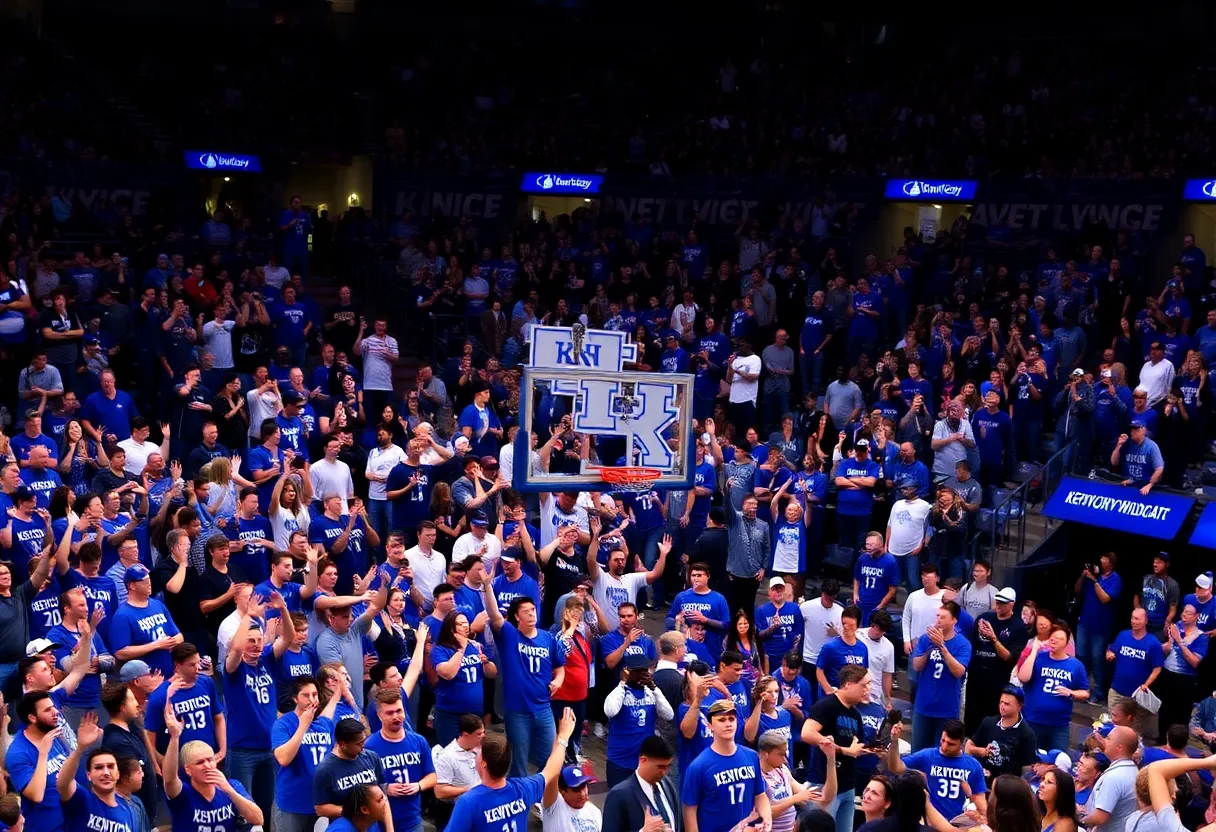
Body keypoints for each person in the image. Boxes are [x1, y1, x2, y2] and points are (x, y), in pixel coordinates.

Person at [475, 561, 567, 778]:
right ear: (517, 617)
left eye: (533, 610)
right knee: (519, 762)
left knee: (550, 758)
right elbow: (494, 615)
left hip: (543, 708)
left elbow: (560, 668)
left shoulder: (548, 638)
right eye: (526, 611)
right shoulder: (509, 635)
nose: (531, 614)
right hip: (517, 711)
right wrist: (488, 586)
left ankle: (548, 801)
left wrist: (558, 681)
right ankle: (522, 803)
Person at [446, 707, 577, 832]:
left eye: (478, 753)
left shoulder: (469, 802)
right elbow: (552, 770)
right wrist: (564, 737)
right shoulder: (523, 789)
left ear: (484, 764)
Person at [162, 697, 264, 832]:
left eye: (210, 760)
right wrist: (175, 737)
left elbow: (258, 820)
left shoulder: (232, 786)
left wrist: (229, 791)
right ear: (188, 770)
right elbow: (169, 779)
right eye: (200, 762)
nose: (207, 765)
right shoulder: (183, 794)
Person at [682, 698, 773, 832]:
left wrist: (767, 819)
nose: (728, 724)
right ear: (710, 725)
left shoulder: (751, 756)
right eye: (721, 720)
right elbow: (689, 811)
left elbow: (759, 794)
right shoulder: (698, 766)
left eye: (731, 719)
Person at [802, 664, 869, 832]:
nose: (867, 689)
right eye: (864, 685)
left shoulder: (855, 714)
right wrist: (844, 750)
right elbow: (807, 733)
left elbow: (857, 746)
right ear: (848, 684)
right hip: (823, 782)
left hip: (847, 784)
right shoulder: (827, 705)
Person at [270, 675, 342, 832]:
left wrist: (338, 692)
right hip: (293, 803)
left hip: (320, 803)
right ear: (295, 699)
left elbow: (329, 711)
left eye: (315, 695)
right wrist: (303, 725)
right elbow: (283, 758)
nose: (311, 699)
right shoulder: (283, 724)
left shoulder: (323, 724)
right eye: (306, 695)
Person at [365, 688, 436, 832]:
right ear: (379, 716)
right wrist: (385, 788)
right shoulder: (369, 747)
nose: (396, 716)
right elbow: (362, 785)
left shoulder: (418, 741)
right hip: (380, 822)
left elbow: (432, 776)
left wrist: (418, 785)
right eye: (390, 713)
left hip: (413, 820)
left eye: (399, 711)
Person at [887, 719, 988, 820]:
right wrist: (894, 742)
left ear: (961, 743)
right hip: (929, 819)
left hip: (956, 821)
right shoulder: (927, 755)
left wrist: (987, 819)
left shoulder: (973, 765)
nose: (944, 747)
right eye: (943, 740)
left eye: (951, 744)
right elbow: (896, 768)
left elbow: (978, 798)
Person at [55, 713, 137, 832]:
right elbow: (63, 784)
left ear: (118, 774)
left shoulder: (128, 809)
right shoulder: (81, 799)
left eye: (110, 766)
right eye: (98, 768)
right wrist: (80, 748)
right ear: (89, 775)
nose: (105, 772)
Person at [604, 652, 674, 786]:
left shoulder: (651, 693)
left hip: (644, 760)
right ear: (627, 672)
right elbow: (610, 711)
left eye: (645, 670)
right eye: (638, 671)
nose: (644, 674)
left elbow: (668, 714)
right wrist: (623, 683)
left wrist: (654, 687)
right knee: (619, 800)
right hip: (620, 760)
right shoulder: (619, 692)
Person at [911, 601, 971, 751]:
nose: (938, 620)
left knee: (942, 752)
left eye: (943, 617)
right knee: (918, 750)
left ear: (954, 620)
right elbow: (916, 666)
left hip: (947, 709)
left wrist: (942, 647)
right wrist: (930, 649)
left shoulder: (963, 644)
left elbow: (958, 671)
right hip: (923, 706)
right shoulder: (926, 638)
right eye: (937, 616)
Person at [966, 587, 1028, 734]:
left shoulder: (1018, 627)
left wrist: (993, 639)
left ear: (1012, 604)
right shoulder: (984, 618)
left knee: (992, 722)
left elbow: (1009, 657)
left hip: (997, 679)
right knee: (971, 723)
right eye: (997, 601)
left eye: (1003, 603)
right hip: (976, 677)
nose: (998, 605)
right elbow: (972, 645)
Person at [1018, 623, 1088, 751]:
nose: (1055, 640)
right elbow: (1022, 677)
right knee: (1032, 760)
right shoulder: (1038, 657)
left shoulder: (1076, 665)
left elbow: (1085, 693)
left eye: (1060, 638)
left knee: (1058, 763)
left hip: (1059, 725)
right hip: (1033, 720)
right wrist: (1034, 650)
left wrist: (1071, 693)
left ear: (1067, 643)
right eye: (1053, 637)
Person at [760, 730, 837, 832]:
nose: (785, 759)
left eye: (786, 753)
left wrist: (830, 757)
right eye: (781, 755)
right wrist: (794, 799)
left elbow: (824, 798)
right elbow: (763, 814)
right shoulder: (757, 777)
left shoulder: (782, 769)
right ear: (765, 754)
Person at [1104, 607, 1162, 738]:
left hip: (1138, 696)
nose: (1133, 621)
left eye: (1137, 619)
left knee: (1134, 735)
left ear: (1146, 621)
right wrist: (1109, 654)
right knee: (1113, 729)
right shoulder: (1123, 635)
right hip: (1117, 690)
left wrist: (1147, 684)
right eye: (1132, 618)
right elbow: (1112, 650)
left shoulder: (1153, 643)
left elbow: (1157, 668)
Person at [1155, 602, 1208, 744]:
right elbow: (1168, 650)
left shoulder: (1201, 637)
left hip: (1185, 680)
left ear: (1197, 616)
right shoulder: (1176, 627)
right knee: (1165, 710)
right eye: (1184, 611)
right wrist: (1166, 646)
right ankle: (1161, 741)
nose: (1184, 614)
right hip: (1167, 675)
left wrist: (1179, 641)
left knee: (1181, 715)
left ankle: (1177, 745)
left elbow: (1194, 662)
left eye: (1189, 612)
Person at [1073, 553, 1122, 705]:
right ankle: (1082, 688)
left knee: (1097, 659)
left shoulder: (1115, 579)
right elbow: (1077, 590)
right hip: (1084, 623)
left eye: (1105, 558)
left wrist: (1094, 581)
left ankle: (1099, 692)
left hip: (1100, 627)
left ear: (1111, 562)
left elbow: (1105, 598)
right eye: (1101, 558)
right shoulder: (1095, 576)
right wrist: (1083, 576)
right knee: (1081, 655)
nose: (1102, 560)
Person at [965, 686, 1037, 779]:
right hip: (984, 780)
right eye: (1001, 702)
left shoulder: (1027, 734)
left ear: (1019, 706)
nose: (1002, 706)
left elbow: (1027, 769)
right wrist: (982, 751)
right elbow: (968, 747)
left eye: (1007, 704)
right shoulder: (988, 723)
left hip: (1008, 786)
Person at [1080, 726, 1139, 832]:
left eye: (1108, 738)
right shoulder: (1133, 770)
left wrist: (1080, 820)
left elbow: (1100, 817)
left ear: (1119, 747)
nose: (1104, 741)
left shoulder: (1115, 776)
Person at [541, 763, 603, 832]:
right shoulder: (554, 808)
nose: (582, 794)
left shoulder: (594, 812)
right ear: (562, 791)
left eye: (583, 786)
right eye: (576, 790)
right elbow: (551, 774)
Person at [1135, 552, 1180, 642]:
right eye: (1154, 562)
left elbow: (1173, 608)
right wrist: (1137, 610)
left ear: (1167, 564)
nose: (1155, 564)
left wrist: (1168, 622)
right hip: (1142, 625)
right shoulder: (1146, 579)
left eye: (1159, 562)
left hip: (1158, 629)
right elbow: (1136, 596)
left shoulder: (1172, 585)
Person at [326, 783, 391, 832]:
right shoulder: (339, 830)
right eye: (380, 799)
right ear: (364, 809)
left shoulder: (372, 823)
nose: (385, 801)